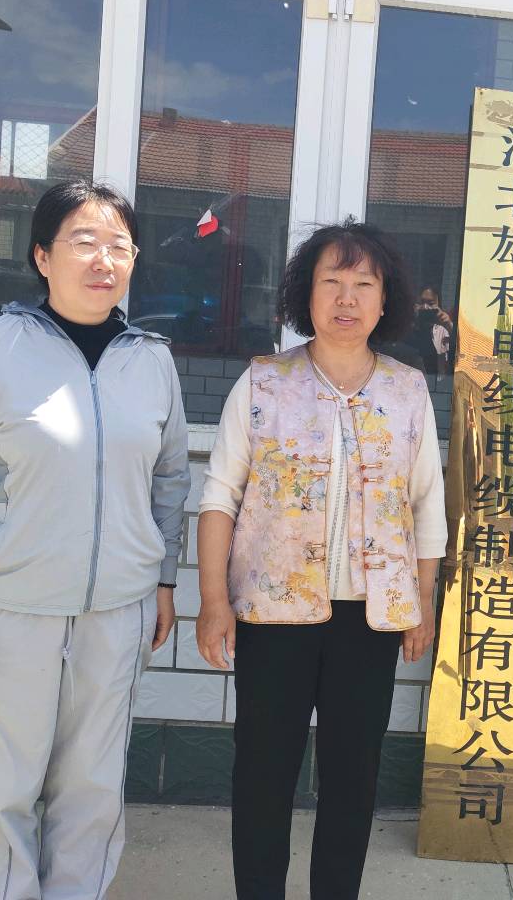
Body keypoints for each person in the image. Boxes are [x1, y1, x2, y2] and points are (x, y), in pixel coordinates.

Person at [0, 178, 190, 900]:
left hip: (120, 610)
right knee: (6, 785)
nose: (104, 259)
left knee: (94, 787)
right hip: (7, 611)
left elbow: (170, 481)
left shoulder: (152, 361)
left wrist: (165, 581)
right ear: (42, 256)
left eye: (119, 246)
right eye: (83, 241)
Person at [194, 220, 446, 900]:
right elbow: (219, 496)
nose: (346, 298)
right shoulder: (264, 383)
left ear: (386, 299)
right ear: (305, 294)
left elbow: (426, 503)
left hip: (369, 620)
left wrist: (423, 602)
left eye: (364, 283)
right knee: (263, 777)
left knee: (351, 781)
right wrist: (213, 601)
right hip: (272, 614)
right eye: (331, 281)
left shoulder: (407, 391)